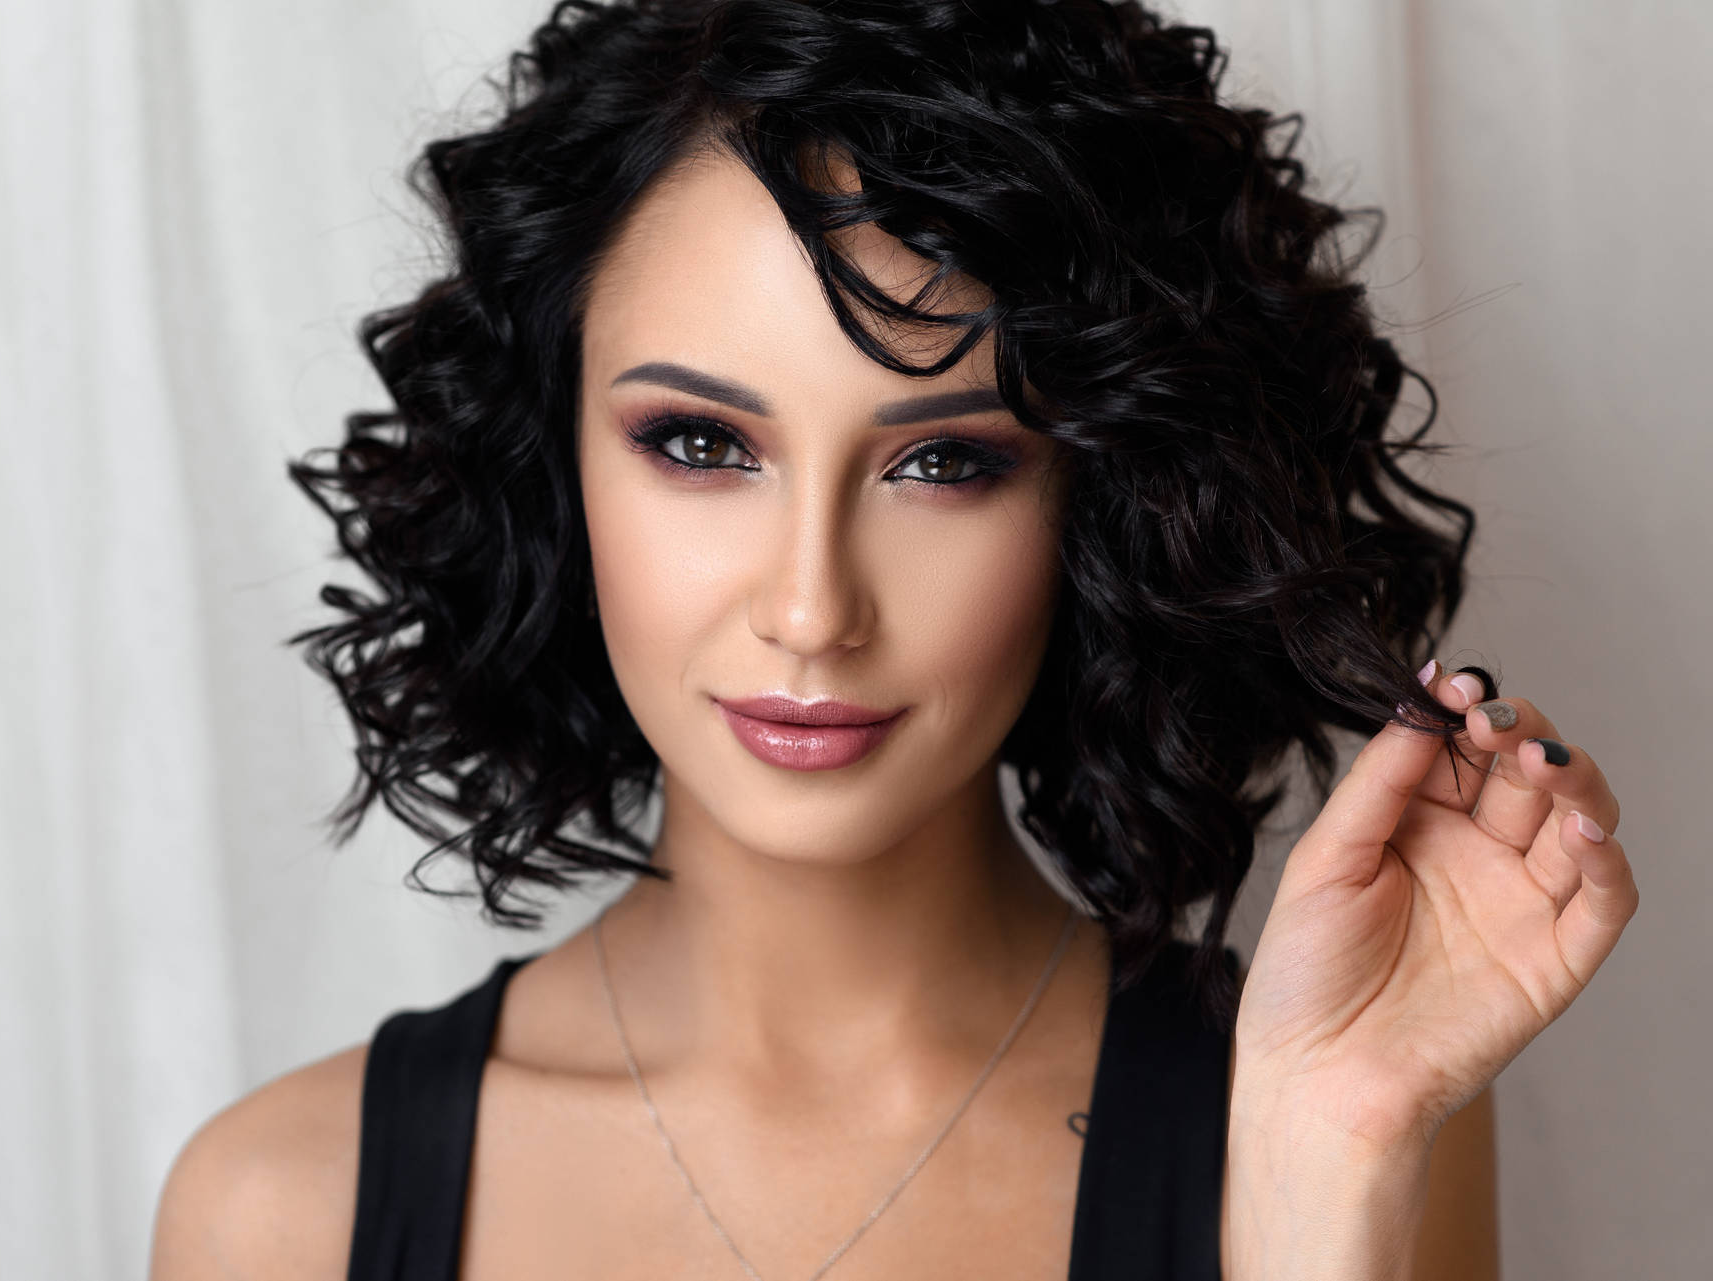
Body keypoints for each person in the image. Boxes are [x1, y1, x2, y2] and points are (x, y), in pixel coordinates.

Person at [148, 2, 1636, 1278]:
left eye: (943, 462)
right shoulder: (282, 1210)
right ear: (556, 463)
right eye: (698, 442)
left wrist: (1335, 1183)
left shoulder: (1338, 1107)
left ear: (1102, 497)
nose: (811, 607)